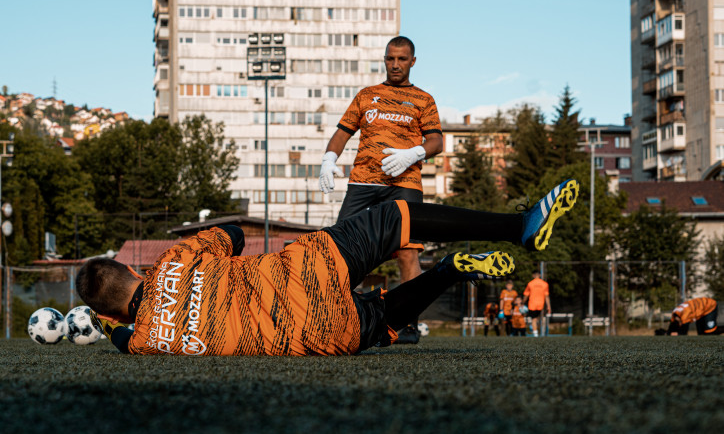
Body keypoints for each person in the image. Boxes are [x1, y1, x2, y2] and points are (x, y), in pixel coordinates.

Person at [77, 180, 579, 356]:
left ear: (112, 311)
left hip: (312, 329)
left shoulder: (144, 341)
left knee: (382, 320)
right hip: (303, 269)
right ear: (132, 272)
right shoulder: (173, 260)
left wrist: (111, 324)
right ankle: (518, 226)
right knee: (392, 218)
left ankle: (449, 269)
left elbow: (121, 340)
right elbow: (233, 235)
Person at [318, 36, 443, 343]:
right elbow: (342, 132)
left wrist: (413, 153)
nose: (396, 64)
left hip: (405, 184)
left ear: (413, 61)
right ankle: (342, 319)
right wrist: (327, 160)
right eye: (390, 58)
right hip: (363, 182)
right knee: (344, 248)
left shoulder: (424, 100)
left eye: (402, 59)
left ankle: (408, 324)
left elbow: (437, 142)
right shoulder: (367, 95)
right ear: (384, 59)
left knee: (407, 252)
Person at [655, 297, 723, 336]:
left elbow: (684, 333)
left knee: (709, 332)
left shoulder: (684, 315)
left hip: (709, 305)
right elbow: (673, 325)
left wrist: (675, 333)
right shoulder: (675, 313)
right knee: (701, 333)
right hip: (700, 310)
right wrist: (668, 332)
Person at [523, 271, 551, 337]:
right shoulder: (545, 284)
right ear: (540, 275)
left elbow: (526, 295)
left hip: (532, 304)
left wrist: (523, 302)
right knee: (539, 318)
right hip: (541, 304)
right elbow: (546, 296)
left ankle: (535, 333)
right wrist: (549, 306)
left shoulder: (530, 283)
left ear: (533, 275)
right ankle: (540, 331)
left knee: (534, 319)